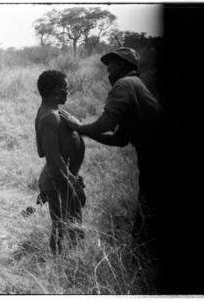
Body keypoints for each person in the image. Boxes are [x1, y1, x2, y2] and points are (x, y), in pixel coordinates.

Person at [59, 47, 164, 262]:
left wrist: (79, 127)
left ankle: (140, 262)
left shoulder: (124, 84)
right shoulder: (135, 85)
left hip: (156, 157)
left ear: (125, 66)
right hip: (153, 157)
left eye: (112, 65)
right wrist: (84, 130)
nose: (108, 71)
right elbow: (119, 139)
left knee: (148, 212)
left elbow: (104, 124)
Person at [35, 70, 87, 255]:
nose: (68, 92)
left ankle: (67, 262)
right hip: (59, 179)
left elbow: (41, 151)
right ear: (57, 89)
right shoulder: (51, 116)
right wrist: (72, 182)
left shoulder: (52, 113)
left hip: (59, 176)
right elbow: (51, 157)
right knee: (66, 224)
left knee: (64, 223)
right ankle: (64, 265)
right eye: (66, 88)